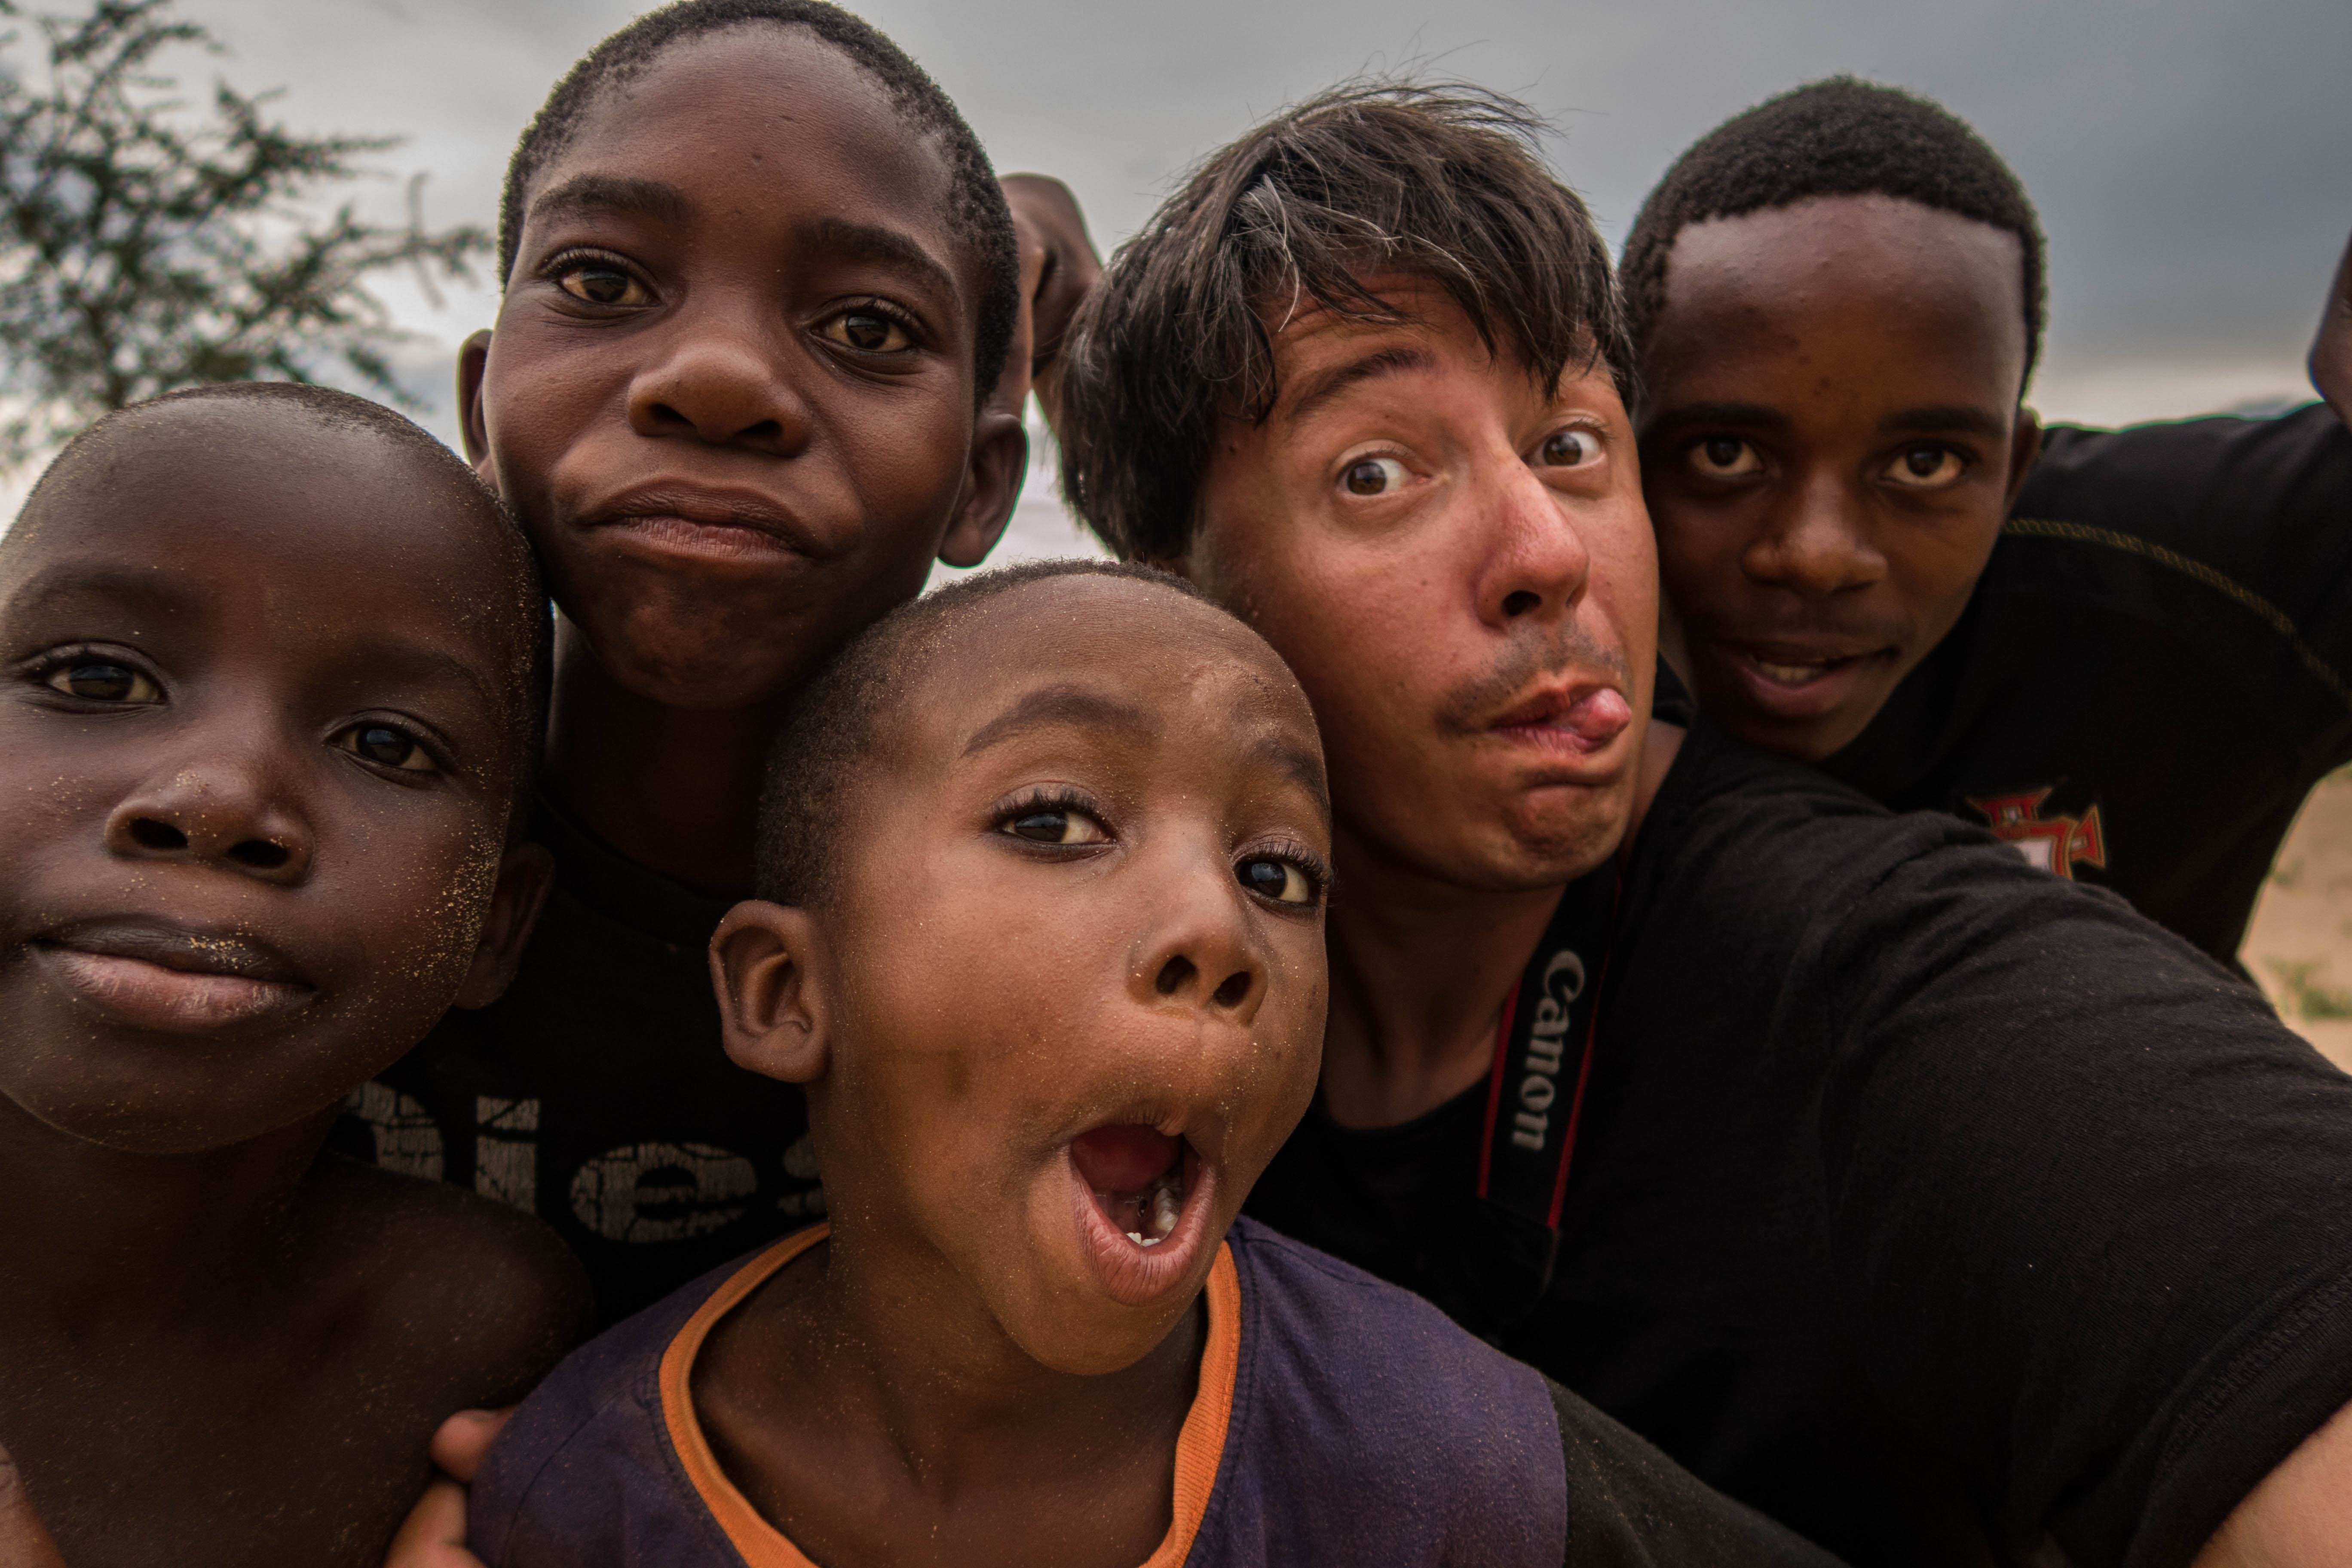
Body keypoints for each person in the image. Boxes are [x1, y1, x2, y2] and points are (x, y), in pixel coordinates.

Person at [1047, 83, 2352, 1568]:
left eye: (1570, 448)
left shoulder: (1887, 985)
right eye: (1378, 470)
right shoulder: (1106, 979)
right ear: (1175, 592)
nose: (1546, 551)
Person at [465, 560, 1842, 1568]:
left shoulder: (1439, 1467)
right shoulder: (581, 1495)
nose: (1216, 925)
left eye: (1278, 870)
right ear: (785, 992)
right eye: (1056, 821)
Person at [342, 0, 1038, 1326]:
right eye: (604, 283)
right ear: (482, 402)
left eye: (871, 329)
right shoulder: (287, 802)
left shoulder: (1044, 910)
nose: (716, 379)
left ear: (979, 480)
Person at [0, 385, 589, 1567]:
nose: (217, 803)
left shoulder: (463, 1332)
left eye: (388, 745)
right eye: (97, 681)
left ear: (495, 924)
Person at [1618, 78, 2352, 966]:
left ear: (2013, 474)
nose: (1817, 556)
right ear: (1619, 442)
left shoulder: (2189, 575)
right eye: (1725, 453)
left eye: (1923, 464)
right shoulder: (1501, 622)